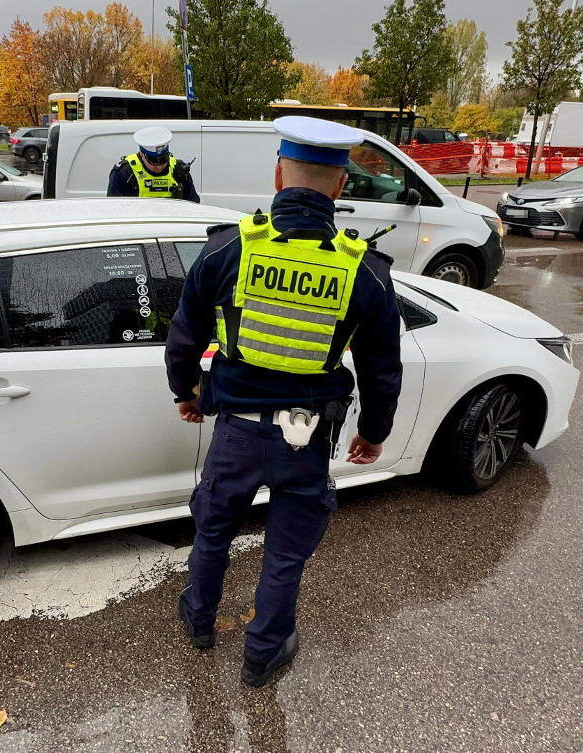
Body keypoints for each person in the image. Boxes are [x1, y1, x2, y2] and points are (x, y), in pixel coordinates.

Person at [166, 116, 402, 687]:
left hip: (236, 435)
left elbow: (184, 334)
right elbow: (381, 368)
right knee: (285, 553)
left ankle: (199, 620)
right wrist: (373, 432)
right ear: (341, 185)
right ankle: (263, 654)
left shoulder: (227, 252)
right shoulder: (363, 272)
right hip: (305, 438)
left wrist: (187, 392)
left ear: (278, 174)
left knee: (214, 530)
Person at [107, 126, 199, 202]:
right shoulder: (124, 173)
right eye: (153, 162)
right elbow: (115, 210)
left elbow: (194, 204)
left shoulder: (179, 170)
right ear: (142, 154)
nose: (159, 166)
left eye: (163, 160)